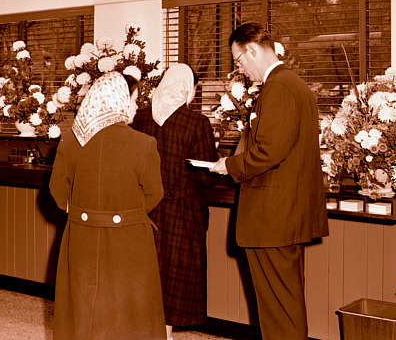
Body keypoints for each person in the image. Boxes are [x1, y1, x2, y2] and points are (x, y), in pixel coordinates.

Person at [210, 22, 329, 340]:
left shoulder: (278, 87)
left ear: (251, 50)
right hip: (287, 213)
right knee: (285, 304)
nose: (240, 69)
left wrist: (228, 165)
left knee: (277, 309)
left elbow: (269, 151)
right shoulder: (295, 84)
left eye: (238, 60)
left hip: (273, 217)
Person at [49, 71, 167, 340]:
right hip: (129, 237)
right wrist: (127, 211)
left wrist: (82, 211)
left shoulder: (70, 140)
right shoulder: (144, 143)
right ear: (119, 101)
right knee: (130, 311)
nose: (136, 107)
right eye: (134, 100)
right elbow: (154, 194)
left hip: (81, 236)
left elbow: (57, 192)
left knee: (83, 307)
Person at [131, 63, 219, 340]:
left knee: (146, 272)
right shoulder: (197, 123)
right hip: (182, 211)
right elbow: (205, 177)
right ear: (188, 89)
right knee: (174, 278)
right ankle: (165, 333)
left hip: (145, 207)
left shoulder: (140, 117)